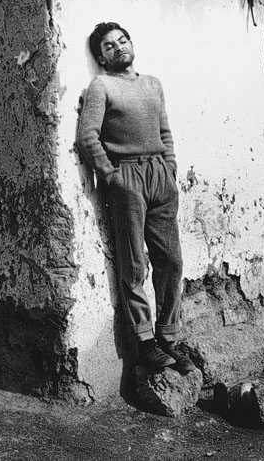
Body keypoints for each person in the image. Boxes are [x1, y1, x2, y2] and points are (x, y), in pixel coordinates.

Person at [75, 22, 195, 374]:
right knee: (134, 263)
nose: (119, 47)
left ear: (131, 43)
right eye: (109, 46)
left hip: (160, 176)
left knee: (171, 260)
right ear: (101, 57)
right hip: (127, 177)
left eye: (122, 40)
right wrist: (112, 177)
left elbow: (165, 132)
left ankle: (169, 337)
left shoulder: (152, 84)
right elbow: (87, 137)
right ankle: (145, 343)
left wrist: (169, 168)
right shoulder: (101, 86)